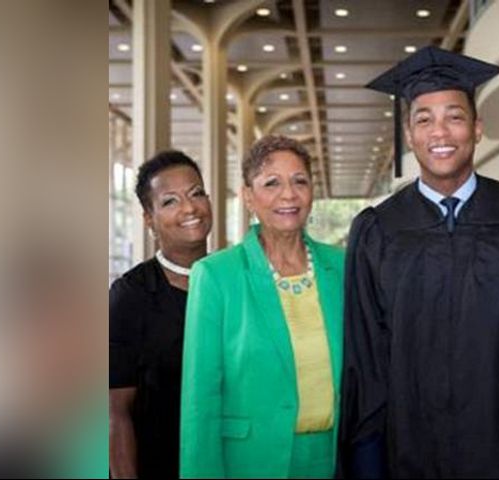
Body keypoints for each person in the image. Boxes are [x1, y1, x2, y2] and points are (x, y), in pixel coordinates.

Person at [338, 46, 499, 478]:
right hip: (408, 446)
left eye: (455, 116)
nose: (439, 132)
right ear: (409, 135)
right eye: (424, 119)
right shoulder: (378, 229)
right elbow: (365, 356)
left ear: (477, 129)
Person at [179, 135, 345, 478]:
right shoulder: (216, 275)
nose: (289, 194)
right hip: (251, 462)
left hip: (334, 459)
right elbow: (200, 400)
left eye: (300, 181)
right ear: (248, 197)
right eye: (272, 183)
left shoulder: (343, 267)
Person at [109, 150, 213, 478]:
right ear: (149, 219)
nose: (189, 208)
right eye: (170, 201)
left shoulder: (233, 281)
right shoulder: (130, 296)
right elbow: (113, 413)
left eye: (196, 193)